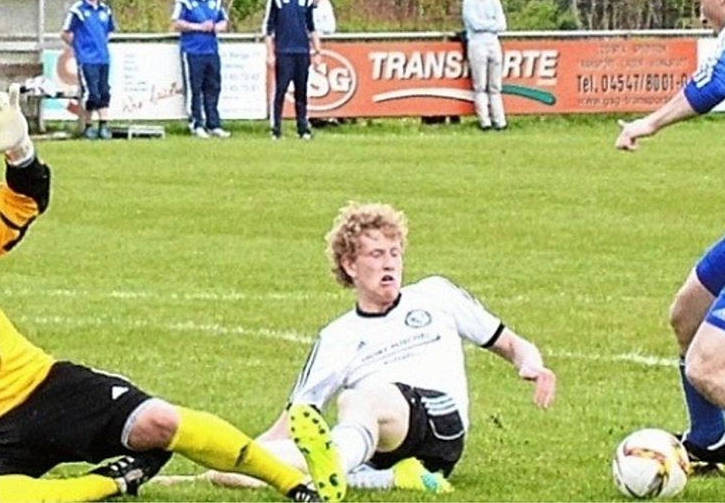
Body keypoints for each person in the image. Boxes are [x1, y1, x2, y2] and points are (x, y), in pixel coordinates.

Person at [0, 83, 331, 503]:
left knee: (159, 420)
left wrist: (21, 150)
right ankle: (110, 483)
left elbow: (25, 196)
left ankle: (294, 485)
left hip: (43, 388)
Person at [202, 202, 556, 499]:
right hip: (376, 445)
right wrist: (238, 462)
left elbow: (511, 343)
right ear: (350, 265)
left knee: (361, 399)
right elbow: (294, 420)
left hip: (440, 425)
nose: (389, 263)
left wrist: (532, 364)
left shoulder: (436, 294)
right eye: (376, 254)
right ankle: (385, 477)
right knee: (254, 466)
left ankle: (335, 466)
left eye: (394, 253)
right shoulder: (336, 336)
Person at [615, 0, 725, 476]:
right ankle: (709, 442)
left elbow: (712, 87)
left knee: (711, 366)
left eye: (700, 4)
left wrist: (648, 123)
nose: (702, 16)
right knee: (689, 312)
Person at [263, 0, 323, 141]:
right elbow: (268, 28)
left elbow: (311, 27)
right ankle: (276, 129)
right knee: (281, 90)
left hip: (302, 51)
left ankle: (303, 128)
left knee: (301, 91)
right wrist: (270, 53)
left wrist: (317, 51)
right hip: (284, 51)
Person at [172, 0, 231, 139]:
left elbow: (224, 22)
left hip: (211, 50)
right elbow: (176, 23)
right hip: (192, 50)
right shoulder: (185, 0)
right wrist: (197, 27)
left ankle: (213, 124)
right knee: (194, 88)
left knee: (213, 86)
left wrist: (214, 27)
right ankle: (196, 123)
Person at [62, 0, 115, 140]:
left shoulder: (105, 10)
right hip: (86, 60)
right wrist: (79, 47)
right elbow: (65, 33)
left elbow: (108, 32)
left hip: (103, 58)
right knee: (91, 94)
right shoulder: (77, 10)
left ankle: (104, 126)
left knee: (104, 92)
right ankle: (88, 126)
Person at [462, 0, 507, 131]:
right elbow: (474, 24)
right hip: (477, 45)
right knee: (480, 85)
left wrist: (486, 25)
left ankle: (500, 121)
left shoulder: (495, 2)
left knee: (495, 86)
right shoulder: (468, 2)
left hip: (493, 45)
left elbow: (502, 25)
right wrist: (491, 24)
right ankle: (484, 121)